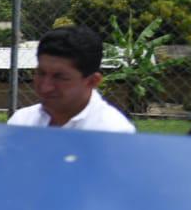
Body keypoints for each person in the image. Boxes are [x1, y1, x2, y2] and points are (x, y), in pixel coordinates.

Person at [8, 25, 136, 132]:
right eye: (41, 73)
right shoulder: (22, 121)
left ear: (93, 81)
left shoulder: (113, 132)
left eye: (60, 77)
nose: (45, 87)